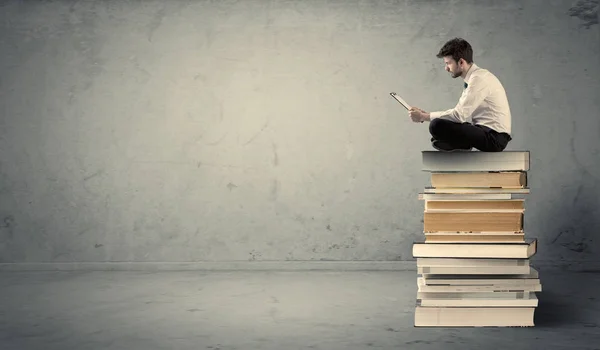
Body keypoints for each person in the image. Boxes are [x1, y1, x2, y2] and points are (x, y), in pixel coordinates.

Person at [408, 38, 512, 152]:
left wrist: (424, 116)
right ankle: (462, 144)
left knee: (436, 125)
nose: (446, 68)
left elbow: (459, 115)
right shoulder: (474, 78)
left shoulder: (479, 79)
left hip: (494, 138)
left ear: (461, 62)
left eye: (448, 63)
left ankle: (462, 144)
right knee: (439, 132)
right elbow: (460, 115)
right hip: (485, 131)